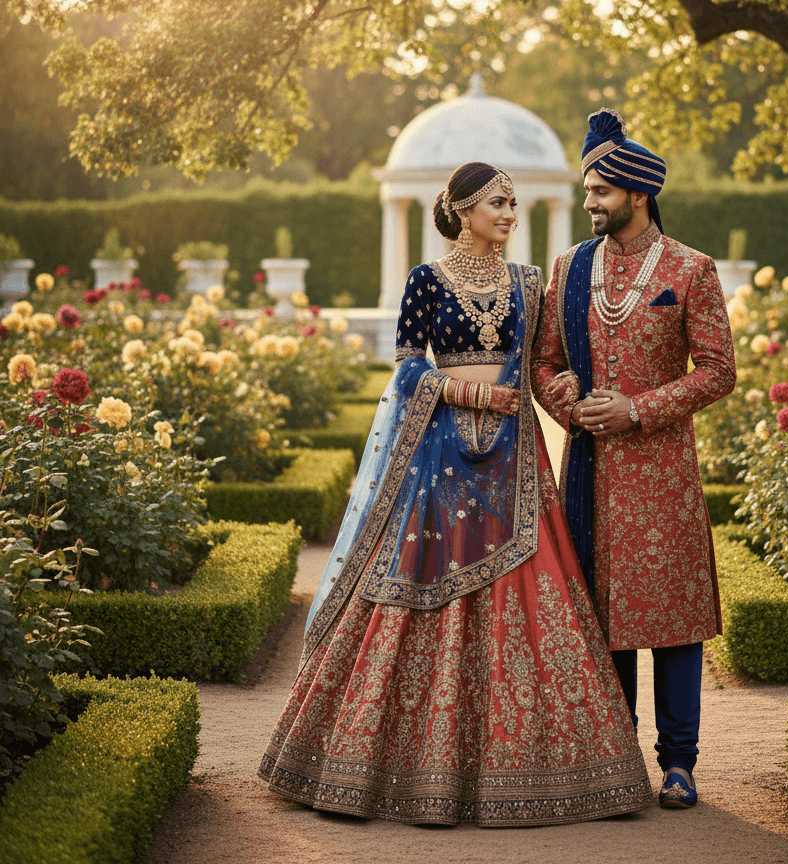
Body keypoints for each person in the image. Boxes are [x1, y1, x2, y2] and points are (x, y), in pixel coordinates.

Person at [258, 161, 651, 826]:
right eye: (497, 203)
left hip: (515, 464)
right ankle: (394, 771)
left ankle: (566, 775)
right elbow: (409, 369)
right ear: (462, 209)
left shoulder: (531, 282)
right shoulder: (425, 281)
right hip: (440, 460)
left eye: (513, 203)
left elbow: (543, 365)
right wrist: (474, 394)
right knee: (415, 585)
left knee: (535, 588)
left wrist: (573, 404)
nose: (508, 213)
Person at [531, 110, 736, 809]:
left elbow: (717, 371)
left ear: (637, 195)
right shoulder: (569, 268)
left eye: (599, 191)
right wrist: (569, 404)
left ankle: (679, 764)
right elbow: (544, 362)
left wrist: (638, 409)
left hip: (663, 476)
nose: (589, 202)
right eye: (588, 190)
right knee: (602, 616)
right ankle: (617, 761)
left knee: (674, 622)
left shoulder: (690, 269)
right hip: (589, 470)